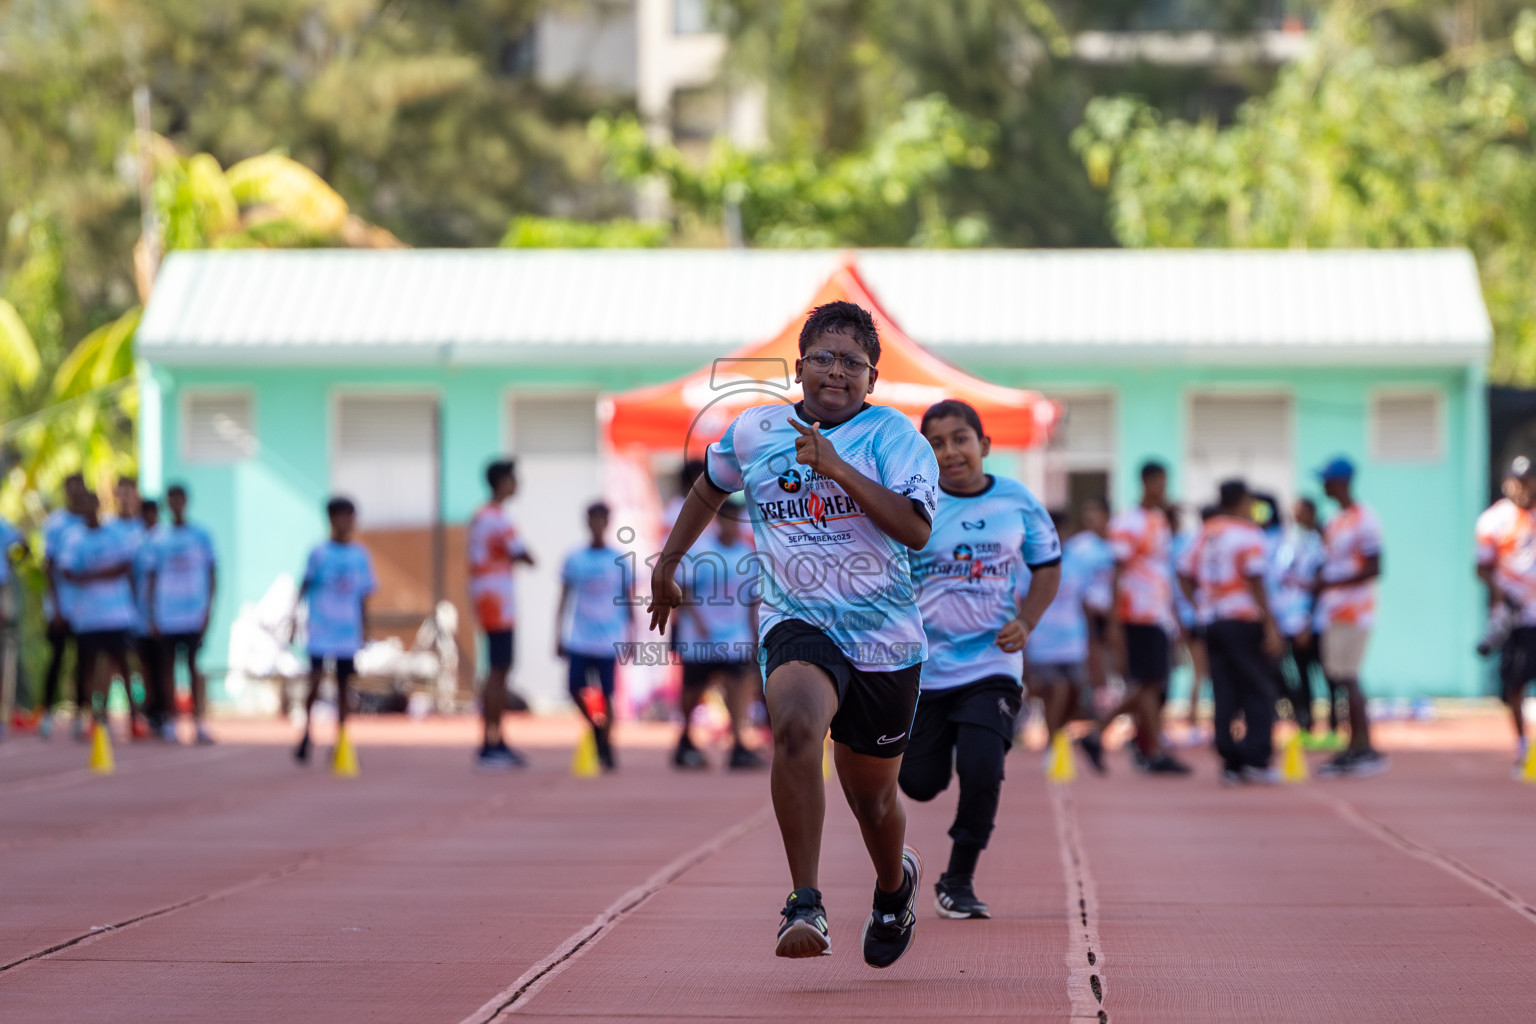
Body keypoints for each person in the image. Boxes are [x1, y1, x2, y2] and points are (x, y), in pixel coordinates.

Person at [648, 301, 937, 968]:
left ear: (872, 377)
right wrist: (668, 563)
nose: (836, 372)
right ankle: (804, 902)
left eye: (852, 363)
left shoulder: (894, 437)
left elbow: (916, 529)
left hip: (886, 638)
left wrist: (837, 468)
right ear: (799, 367)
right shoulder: (755, 429)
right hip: (796, 618)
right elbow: (709, 487)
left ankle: (893, 886)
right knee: (797, 727)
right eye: (824, 358)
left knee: (872, 800)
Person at [900, 400, 1059, 920]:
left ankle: (959, 879)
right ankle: (943, 746)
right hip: (923, 668)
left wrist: (1027, 621)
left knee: (983, 767)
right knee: (919, 784)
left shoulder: (1017, 500)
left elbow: (1048, 565)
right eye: (937, 444)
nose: (950, 452)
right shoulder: (914, 504)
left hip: (992, 664)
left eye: (960, 439)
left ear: (984, 445)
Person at [1081, 461, 1190, 775]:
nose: (1163, 489)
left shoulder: (1160, 520)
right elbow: (1117, 572)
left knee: (1151, 684)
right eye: (1160, 482)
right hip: (1135, 611)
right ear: (1146, 482)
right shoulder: (1127, 523)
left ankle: (1145, 747)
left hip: (1158, 612)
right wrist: (1115, 621)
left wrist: (1174, 616)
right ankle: (1139, 745)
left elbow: (1162, 571)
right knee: (1147, 683)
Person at [1179, 480, 1285, 784]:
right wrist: (1270, 625)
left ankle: (1229, 757)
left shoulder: (1205, 533)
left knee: (1224, 689)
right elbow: (1256, 580)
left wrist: (1199, 602)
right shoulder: (1248, 533)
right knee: (1258, 688)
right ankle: (1256, 758)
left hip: (1212, 621)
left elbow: (1183, 570)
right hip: (1242, 619)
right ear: (1241, 501)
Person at [672, 499, 766, 770]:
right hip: (699, 636)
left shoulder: (747, 554)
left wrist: (754, 633)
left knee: (739, 683)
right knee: (693, 690)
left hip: (735, 636)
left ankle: (738, 743)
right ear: (719, 520)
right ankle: (685, 737)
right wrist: (699, 621)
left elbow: (753, 598)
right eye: (728, 519)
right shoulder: (700, 551)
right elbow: (682, 590)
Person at [1312, 457, 1388, 778]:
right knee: (1340, 678)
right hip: (1333, 611)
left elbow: (1374, 567)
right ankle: (1353, 744)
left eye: (1326, 480)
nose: (1322, 486)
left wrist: (1330, 583)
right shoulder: (1336, 521)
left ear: (1340, 482)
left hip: (1355, 611)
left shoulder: (1365, 519)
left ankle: (1363, 747)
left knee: (1349, 677)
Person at [293, 497, 376, 765]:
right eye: (341, 516)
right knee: (315, 681)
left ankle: (341, 737)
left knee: (344, 687)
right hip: (320, 629)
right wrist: (294, 619)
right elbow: (304, 586)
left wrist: (364, 629)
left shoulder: (360, 555)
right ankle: (307, 732)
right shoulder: (319, 553)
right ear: (330, 519)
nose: (346, 522)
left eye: (350, 517)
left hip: (347, 633)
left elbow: (363, 596)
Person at [468, 459, 535, 770]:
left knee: (497, 669)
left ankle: (494, 739)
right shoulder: (496, 518)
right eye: (513, 478)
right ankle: (490, 742)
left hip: (488, 598)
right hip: (497, 601)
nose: (517, 484)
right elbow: (522, 553)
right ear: (502, 482)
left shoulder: (481, 516)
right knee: (498, 671)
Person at [557, 502, 632, 772]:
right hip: (580, 637)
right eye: (593, 520)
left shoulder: (619, 559)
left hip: (608, 638)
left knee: (607, 693)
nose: (598, 525)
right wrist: (558, 633)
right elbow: (564, 597)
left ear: (607, 523)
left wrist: (631, 637)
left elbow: (628, 600)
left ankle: (606, 743)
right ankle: (596, 727)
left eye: (602, 520)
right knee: (574, 687)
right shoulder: (575, 558)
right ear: (587, 522)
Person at [60, 492, 141, 737]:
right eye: (81, 503)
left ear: (97, 504)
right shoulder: (73, 538)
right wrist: (100, 573)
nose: (86, 507)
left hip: (116, 613)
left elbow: (125, 565)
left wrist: (90, 575)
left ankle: (134, 719)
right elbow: (66, 571)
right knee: (88, 667)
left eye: (90, 502)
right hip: (87, 616)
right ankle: (94, 717)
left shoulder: (114, 533)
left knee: (123, 665)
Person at [1474, 456, 1536, 773]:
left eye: (1528, 482)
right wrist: (1502, 594)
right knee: (1514, 682)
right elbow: (1482, 567)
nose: (1523, 489)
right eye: (1517, 483)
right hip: (1513, 617)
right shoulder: (1493, 521)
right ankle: (1523, 744)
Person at [146, 485, 218, 745]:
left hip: (193, 614)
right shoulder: (158, 538)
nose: (176, 504)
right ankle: (170, 721)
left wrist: (208, 609)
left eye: (179, 499)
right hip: (167, 614)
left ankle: (198, 722)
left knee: (193, 666)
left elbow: (212, 573)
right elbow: (151, 578)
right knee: (167, 669)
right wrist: (152, 614)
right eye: (171, 500)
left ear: (186, 501)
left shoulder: (201, 535)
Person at [1027, 509, 1095, 768]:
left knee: (1075, 696)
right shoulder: (1030, 561)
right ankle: (1053, 745)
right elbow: (1020, 599)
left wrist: (1093, 639)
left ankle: (1058, 738)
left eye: (1061, 530)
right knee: (1057, 690)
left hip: (1074, 642)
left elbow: (1086, 600)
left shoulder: (1077, 561)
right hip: (1043, 643)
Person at [1272, 496, 1331, 745]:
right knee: (1299, 673)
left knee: (1329, 674)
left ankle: (1334, 726)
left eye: (1300, 511)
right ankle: (1306, 723)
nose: (1295, 516)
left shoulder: (1321, 541)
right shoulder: (1293, 542)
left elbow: (1320, 585)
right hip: (1291, 622)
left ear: (1311, 512)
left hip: (1314, 622)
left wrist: (1308, 619)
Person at [39, 474, 88, 737]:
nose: (76, 492)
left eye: (80, 487)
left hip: (87, 608)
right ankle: (46, 713)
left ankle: (81, 715)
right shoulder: (55, 523)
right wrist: (56, 606)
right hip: (61, 605)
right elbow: (48, 565)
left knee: (83, 661)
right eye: (71, 487)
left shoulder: (91, 521)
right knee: (57, 658)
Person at [1065, 498, 1115, 697]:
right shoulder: (1078, 547)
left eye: (1095, 514)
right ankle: (1097, 699)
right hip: (1088, 614)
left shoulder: (1116, 543)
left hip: (1117, 613)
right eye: (1087, 515)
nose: (1090, 519)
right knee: (1093, 659)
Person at [134, 499, 166, 735]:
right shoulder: (135, 541)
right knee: (144, 665)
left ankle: (163, 712)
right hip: (140, 614)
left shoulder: (165, 539)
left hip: (164, 614)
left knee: (163, 665)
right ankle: (149, 710)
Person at [0, 515, 29, 726]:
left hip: (3, 588)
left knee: (6, 649)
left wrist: (11, 561)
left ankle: (4, 710)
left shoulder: (2, 525)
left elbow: (23, 545)